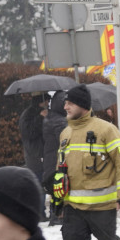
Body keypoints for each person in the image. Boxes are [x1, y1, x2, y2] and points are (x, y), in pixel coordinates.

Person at [55, 84, 120, 240]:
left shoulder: (106, 129)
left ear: (83, 105)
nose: (66, 106)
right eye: (66, 102)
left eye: (70, 102)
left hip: (101, 205)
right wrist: (58, 198)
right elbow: (60, 168)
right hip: (73, 206)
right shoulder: (65, 132)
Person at [41, 90, 69, 226]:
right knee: (58, 187)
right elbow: (65, 138)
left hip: (51, 158)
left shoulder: (52, 117)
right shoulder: (59, 121)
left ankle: (55, 215)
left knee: (56, 189)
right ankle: (56, 216)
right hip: (56, 159)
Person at [19, 94, 46, 187]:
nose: (48, 103)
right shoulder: (28, 114)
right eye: (47, 101)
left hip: (42, 156)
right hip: (35, 157)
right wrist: (41, 118)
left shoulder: (40, 112)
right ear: (41, 102)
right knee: (38, 188)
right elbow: (29, 133)